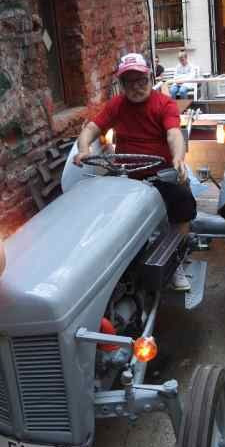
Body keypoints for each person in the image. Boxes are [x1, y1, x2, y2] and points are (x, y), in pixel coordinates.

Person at [75, 52, 196, 291]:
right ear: (121, 84)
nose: (136, 87)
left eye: (141, 80)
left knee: (182, 206)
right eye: (129, 82)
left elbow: (173, 134)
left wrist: (178, 159)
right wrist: (83, 149)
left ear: (150, 78)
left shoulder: (165, 104)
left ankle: (174, 259)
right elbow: (91, 128)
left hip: (161, 173)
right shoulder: (116, 105)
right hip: (126, 176)